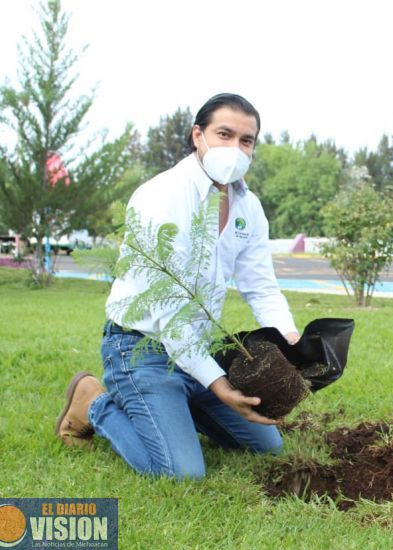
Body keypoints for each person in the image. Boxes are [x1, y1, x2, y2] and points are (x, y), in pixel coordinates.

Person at [55, 93, 300, 479]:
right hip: (141, 349)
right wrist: (218, 385)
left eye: (246, 140)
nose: (235, 148)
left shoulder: (247, 208)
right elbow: (169, 316)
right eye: (224, 134)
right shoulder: (162, 197)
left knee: (266, 445)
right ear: (198, 135)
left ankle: (175, 408)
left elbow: (261, 286)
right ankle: (94, 403)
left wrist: (289, 342)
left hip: (195, 350)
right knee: (181, 472)